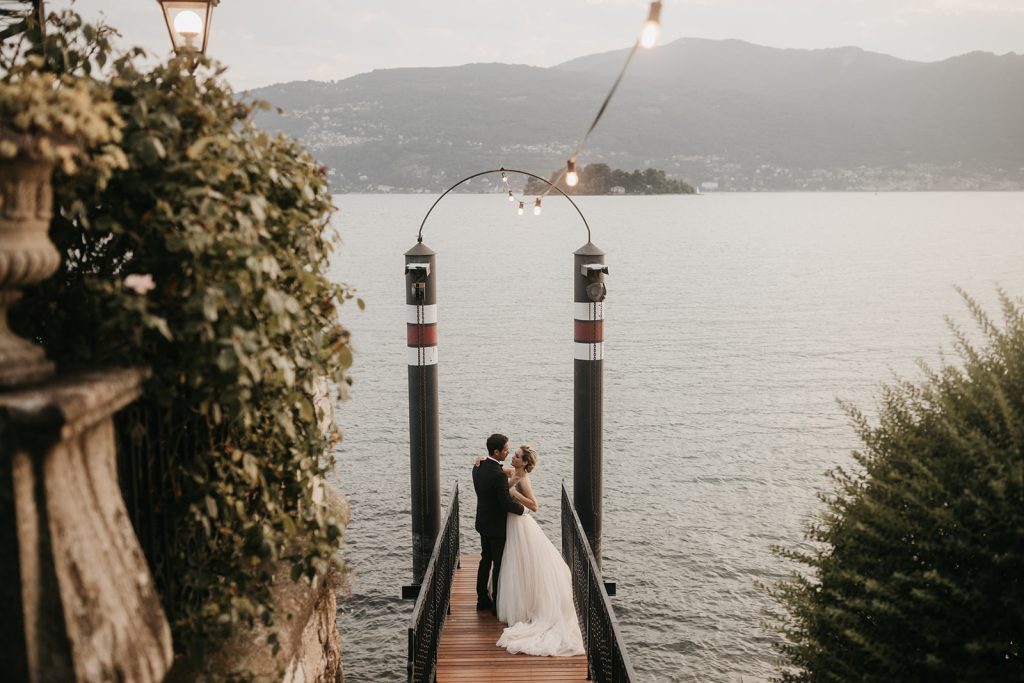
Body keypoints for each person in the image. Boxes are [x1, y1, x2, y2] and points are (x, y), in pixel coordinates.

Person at [476, 444, 585, 657]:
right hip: (508, 522)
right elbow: (497, 470)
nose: (513, 457)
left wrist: (513, 494)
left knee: (517, 560)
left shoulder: (524, 478)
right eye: (513, 454)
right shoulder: (511, 471)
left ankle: (517, 603)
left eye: (517, 456)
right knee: (511, 561)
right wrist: (481, 458)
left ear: (525, 462)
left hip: (519, 521)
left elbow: (534, 506)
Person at [472, 433, 525, 614]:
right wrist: (524, 511)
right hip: (496, 527)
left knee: (485, 560)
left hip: (482, 522)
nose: (507, 453)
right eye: (506, 450)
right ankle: (496, 605)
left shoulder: (478, 466)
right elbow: (506, 504)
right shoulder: (498, 476)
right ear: (496, 452)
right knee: (499, 564)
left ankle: (481, 600)